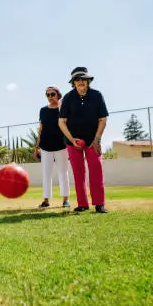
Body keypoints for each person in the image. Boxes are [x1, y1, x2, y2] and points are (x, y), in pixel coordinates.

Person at [58, 67, 109, 213]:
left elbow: (102, 119)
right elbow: (61, 122)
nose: (80, 82)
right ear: (73, 82)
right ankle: (82, 204)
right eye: (77, 79)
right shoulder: (68, 98)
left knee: (96, 170)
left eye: (83, 79)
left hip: (93, 140)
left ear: (88, 81)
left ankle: (99, 203)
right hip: (73, 142)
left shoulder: (97, 95)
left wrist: (97, 139)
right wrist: (72, 139)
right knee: (78, 173)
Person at [33, 85, 70, 208]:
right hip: (45, 148)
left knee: (63, 173)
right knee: (46, 174)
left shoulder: (63, 109)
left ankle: (65, 200)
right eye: (47, 95)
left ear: (58, 95)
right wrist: (36, 147)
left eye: (52, 94)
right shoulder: (43, 110)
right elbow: (41, 129)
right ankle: (46, 201)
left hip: (61, 147)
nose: (50, 97)